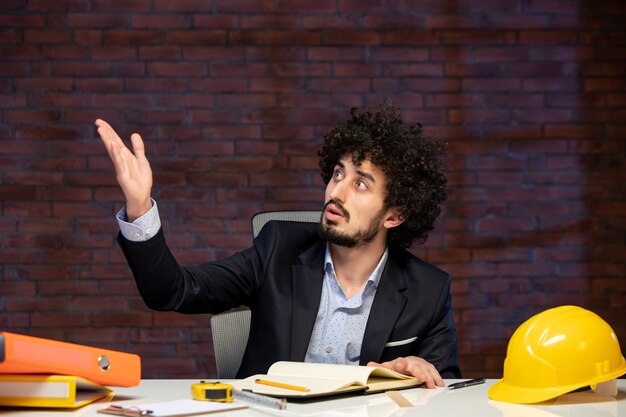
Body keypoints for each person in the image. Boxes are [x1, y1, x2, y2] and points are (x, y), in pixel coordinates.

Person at [96, 102, 461, 388]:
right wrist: (140, 206)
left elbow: (447, 393)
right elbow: (172, 291)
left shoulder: (428, 290)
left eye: (360, 184)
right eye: (338, 174)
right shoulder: (277, 248)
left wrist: (422, 373)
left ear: (394, 215)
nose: (336, 192)